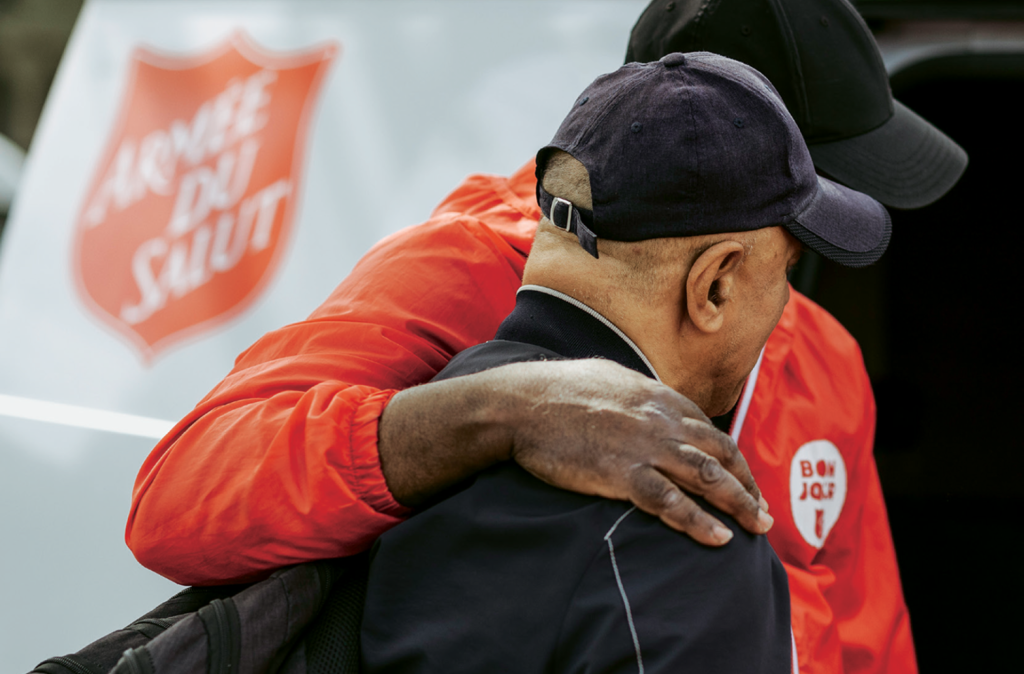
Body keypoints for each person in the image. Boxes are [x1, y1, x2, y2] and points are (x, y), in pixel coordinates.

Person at [127, 1, 964, 672]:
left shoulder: (823, 356)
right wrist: (503, 410)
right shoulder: (467, 271)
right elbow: (178, 501)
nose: (809, 252)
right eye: (810, 196)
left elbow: (869, 637)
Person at [361, 52, 887, 674]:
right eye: (786, 272)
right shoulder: (686, 532)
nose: (783, 308)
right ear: (715, 285)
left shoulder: (420, 436)